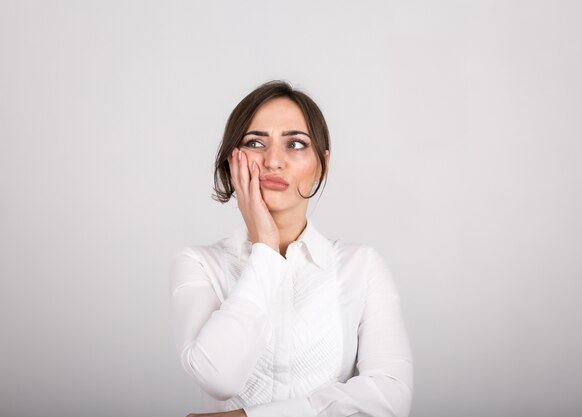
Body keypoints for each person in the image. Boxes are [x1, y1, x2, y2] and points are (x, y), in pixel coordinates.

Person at [169, 80, 413, 417]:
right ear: (231, 160)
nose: (273, 161)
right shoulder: (199, 263)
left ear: (322, 165)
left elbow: (390, 396)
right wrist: (265, 251)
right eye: (255, 142)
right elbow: (218, 377)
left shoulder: (362, 266)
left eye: (295, 144)